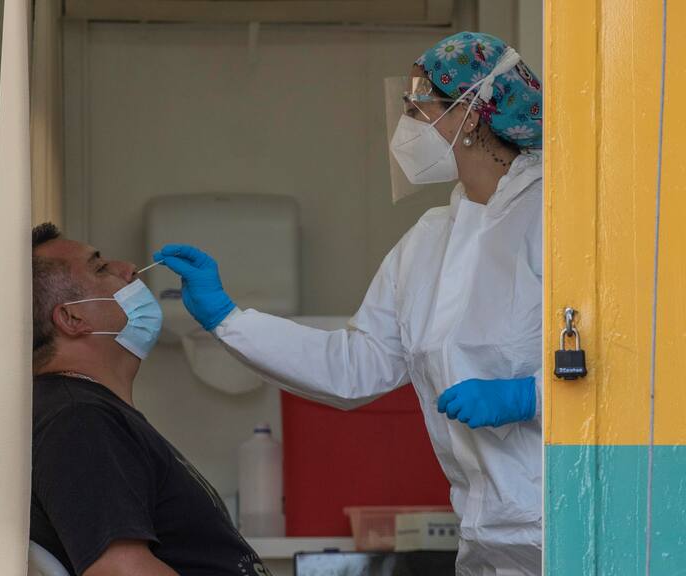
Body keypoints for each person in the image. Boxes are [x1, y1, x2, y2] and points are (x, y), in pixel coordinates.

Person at [153, 32, 543, 576]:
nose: (407, 123)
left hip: (575, 526)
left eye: (419, 107)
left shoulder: (556, 222)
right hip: (486, 540)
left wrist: (533, 395)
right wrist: (228, 320)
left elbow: (640, 364)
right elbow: (355, 366)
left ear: (471, 116)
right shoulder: (429, 241)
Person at [30, 223, 271, 576]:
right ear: (72, 317)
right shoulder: (79, 421)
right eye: (100, 268)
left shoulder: (94, 413)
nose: (128, 268)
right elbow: (120, 571)